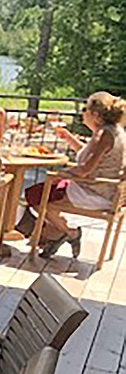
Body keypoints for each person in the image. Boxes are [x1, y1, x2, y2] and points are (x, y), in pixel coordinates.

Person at [27, 91, 126, 259]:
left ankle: (68, 233)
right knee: (41, 191)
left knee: (35, 195)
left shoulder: (103, 134)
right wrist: (68, 137)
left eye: (85, 110)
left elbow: (85, 168)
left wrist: (59, 175)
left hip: (94, 192)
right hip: (108, 190)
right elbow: (92, 156)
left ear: (94, 115)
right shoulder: (116, 131)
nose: (83, 114)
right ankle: (56, 233)